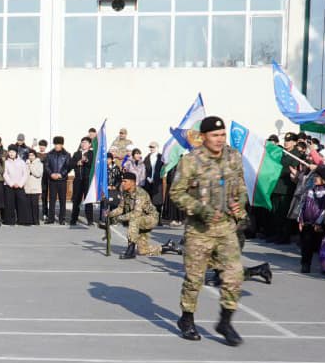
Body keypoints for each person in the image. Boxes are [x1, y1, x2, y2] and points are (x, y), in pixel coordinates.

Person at [168, 116, 247, 346]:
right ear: (203, 137)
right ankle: (187, 318)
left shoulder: (233, 157)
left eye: (222, 135)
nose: (219, 139)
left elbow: (241, 187)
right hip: (199, 230)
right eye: (214, 135)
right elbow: (176, 193)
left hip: (226, 228)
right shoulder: (191, 161)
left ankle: (225, 321)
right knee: (194, 279)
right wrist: (199, 209)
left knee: (234, 274)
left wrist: (239, 203)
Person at [106, 171, 160, 258]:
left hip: (150, 219)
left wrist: (118, 218)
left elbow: (136, 213)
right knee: (143, 251)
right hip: (140, 220)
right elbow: (121, 208)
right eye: (122, 181)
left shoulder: (141, 194)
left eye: (125, 181)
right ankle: (167, 247)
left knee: (133, 220)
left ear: (133, 183)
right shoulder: (125, 192)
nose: (122, 183)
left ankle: (130, 251)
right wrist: (110, 214)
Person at [68, 137, 95, 226]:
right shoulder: (76, 154)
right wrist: (77, 162)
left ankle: (90, 220)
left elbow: (91, 163)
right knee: (76, 200)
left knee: (88, 200)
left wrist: (86, 160)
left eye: (85, 142)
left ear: (90, 144)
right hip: (78, 179)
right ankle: (73, 219)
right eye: (82, 142)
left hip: (87, 179)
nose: (83, 144)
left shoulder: (92, 153)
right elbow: (70, 164)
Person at [44, 136, 70, 224]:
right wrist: (51, 174)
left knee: (63, 200)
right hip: (52, 181)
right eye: (55, 144)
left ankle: (62, 219)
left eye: (58, 144)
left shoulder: (66, 154)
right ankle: (50, 218)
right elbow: (46, 166)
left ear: (62, 144)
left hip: (62, 180)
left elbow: (68, 167)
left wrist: (60, 174)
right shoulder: (49, 154)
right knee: (52, 200)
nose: (57, 146)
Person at [3, 147, 27, 225]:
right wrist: (11, 183)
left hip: (19, 186)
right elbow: (5, 174)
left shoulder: (22, 162)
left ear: (16, 153)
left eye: (13, 152)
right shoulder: (6, 162)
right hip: (9, 186)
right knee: (9, 204)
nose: (11, 153)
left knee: (21, 203)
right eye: (10, 152)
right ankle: (10, 220)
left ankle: (22, 220)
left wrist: (20, 184)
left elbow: (25, 174)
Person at [24, 147, 43, 225]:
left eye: (32, 155)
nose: (31, 157)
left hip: (35, 188)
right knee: (28, 205)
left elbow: (38, 174)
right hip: (27, 187)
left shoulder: (39, 164)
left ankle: (36, 221)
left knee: (35, 205)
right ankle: (29, 220)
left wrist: (30, 166)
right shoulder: (26, 163)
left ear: (35, 156)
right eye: (29, 155)